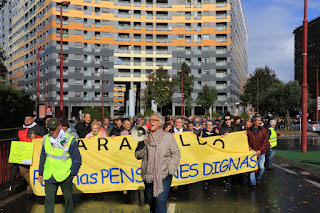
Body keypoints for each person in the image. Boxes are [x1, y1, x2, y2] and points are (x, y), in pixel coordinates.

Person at [135, 112, 181, 213]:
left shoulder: (168, 137)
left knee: (160, 201)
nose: (151, 122)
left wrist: (170, 170)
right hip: (148, 176)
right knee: (151, 201)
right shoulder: (144, 137)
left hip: (164, 175)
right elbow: (138, 155)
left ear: (160, 123)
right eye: (149, 120)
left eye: (153, 120)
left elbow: (176, 154)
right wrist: (143, 143)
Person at [38, 117, 82, 213]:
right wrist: (40, 173)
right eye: (50, 128)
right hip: (49, 174)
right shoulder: (46, 138)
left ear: (60, 127)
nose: (52, 131)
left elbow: (77, 159)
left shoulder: (69, 139)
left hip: (65, 175)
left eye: (54, 128)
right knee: (49, 200)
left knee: (68, 200)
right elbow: (43, 157)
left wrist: (71, 174)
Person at [17, 112, 48, 198]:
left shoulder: (39, 129)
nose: (26, 121)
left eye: (29, 119)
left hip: (34, 153)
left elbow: (46, 139)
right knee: (23, 171)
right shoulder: (21, 129)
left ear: (33, 119)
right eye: (25, 119)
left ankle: (30, 190)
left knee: (32, 170)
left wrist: (37, 138)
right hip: (23, 153)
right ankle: (33, 186)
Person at [246, 115, 269, 188]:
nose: (260, 121)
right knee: (252, 168)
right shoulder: (248, 131)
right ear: (254, 122)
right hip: (252, 153)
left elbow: (265, 142)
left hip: (261, 153)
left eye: (260, 120)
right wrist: (250, 148)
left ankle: (258, 179)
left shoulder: (264, 130)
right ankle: (253, 183)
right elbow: (246, 141)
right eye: (258, 120)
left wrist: (260, 150)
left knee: (261, 168)